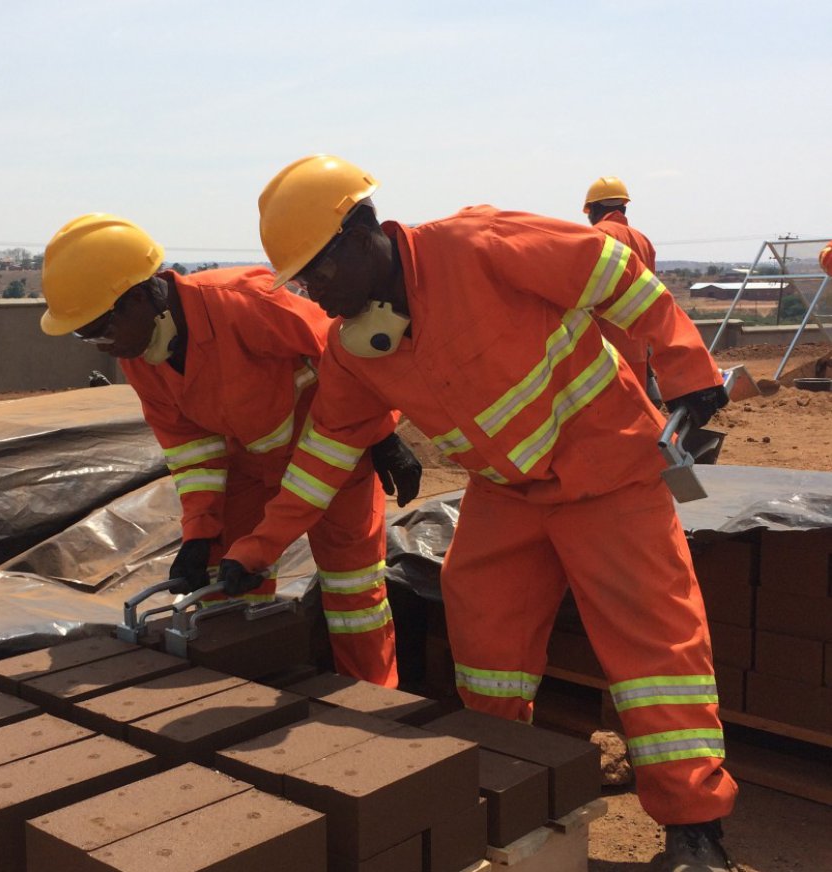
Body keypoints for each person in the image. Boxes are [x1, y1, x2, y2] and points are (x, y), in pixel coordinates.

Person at [220, 156, 737, 871]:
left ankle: (695, 829)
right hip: (507, 493)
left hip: (609, 469)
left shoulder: (476, 246)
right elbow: (321, 458)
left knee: (656, 651)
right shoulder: (354, 350)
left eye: (318, 274)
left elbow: (614, 276)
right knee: (483, 629)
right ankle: (504, 779)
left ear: (362, 231)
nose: (316, 295)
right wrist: (254, 549)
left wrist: (690, 373)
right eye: (301, 283)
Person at [38, 213, 421, 687]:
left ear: (137, 297)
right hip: (248, 475)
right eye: (86, 335)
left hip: (336, 459)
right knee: (228, 595)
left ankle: (374, 702)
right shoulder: (142, 357)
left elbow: (347, 353)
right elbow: (189, 449)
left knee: (353, 593)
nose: (102, 348)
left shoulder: (246, 302)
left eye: (98, 330)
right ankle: (245, 687)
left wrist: (382, 434)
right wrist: (200, 532)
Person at [583, 177, 657, 394]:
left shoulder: (598, 236)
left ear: (593, 209)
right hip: (638, 344)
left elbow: (587, 293)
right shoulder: (643, 240)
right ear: (623, 208)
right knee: (637, 410)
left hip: (606, 347)